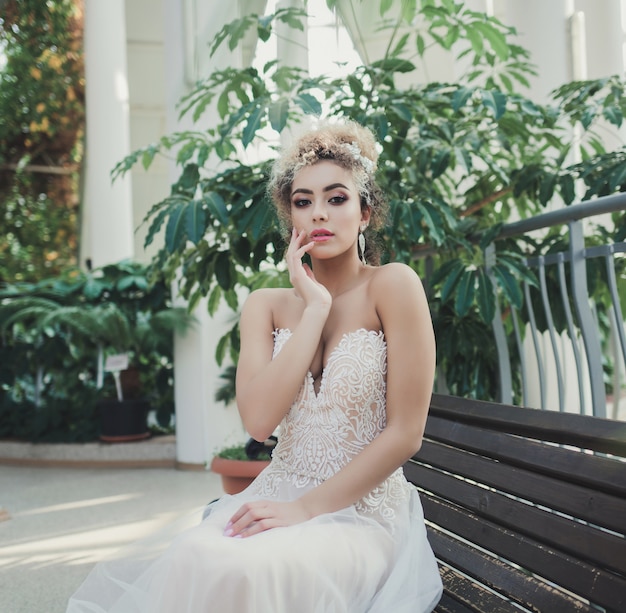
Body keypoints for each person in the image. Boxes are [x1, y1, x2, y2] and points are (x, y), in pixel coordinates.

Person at [67, 120, 443, 612]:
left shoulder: (393, 285)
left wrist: (306, 509)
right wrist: (314, 310)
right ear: (290, 218)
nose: (319, 214)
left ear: (365, 211)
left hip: (361, 511)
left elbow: (406, 434)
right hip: (278, 489)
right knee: (197, 555)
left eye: (337, 198)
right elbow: (260, 422)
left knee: (254, 569)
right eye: (303, 202)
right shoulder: (265, 305)